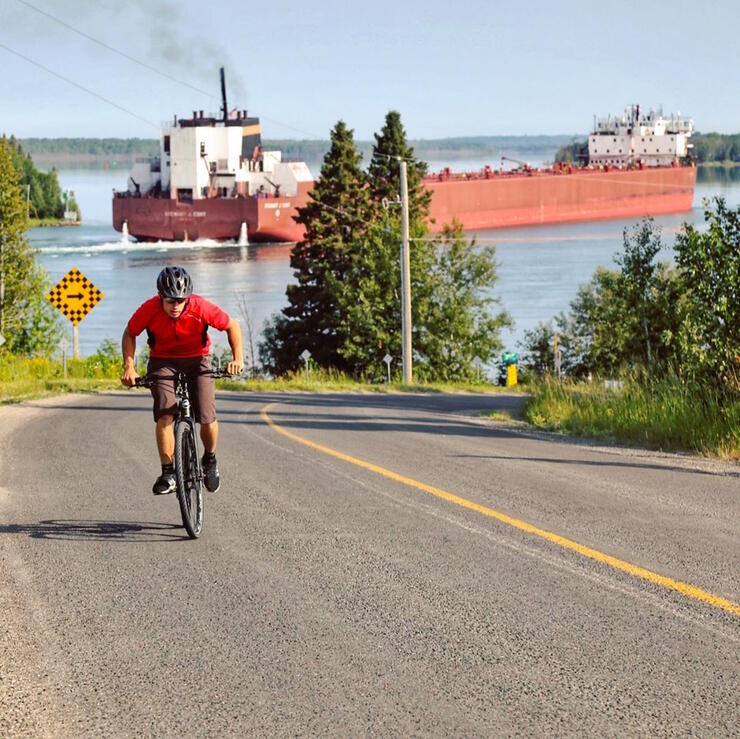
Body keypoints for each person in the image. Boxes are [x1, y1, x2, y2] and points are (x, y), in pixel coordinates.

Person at [120, 266, 244, 495]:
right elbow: (130, 333)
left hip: (197, 360)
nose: (175, 306)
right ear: (160, 297)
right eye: (170, 301)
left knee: (207, 416)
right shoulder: (149, 309)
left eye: (180, 301)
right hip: (162, 361)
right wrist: (130, 367)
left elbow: (231, 326)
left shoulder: (200, 307)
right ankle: (168, 473)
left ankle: (210, 461)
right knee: (165, 413)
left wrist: (237, 359)